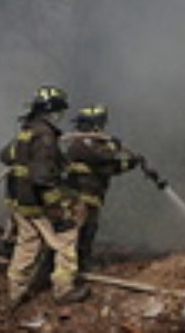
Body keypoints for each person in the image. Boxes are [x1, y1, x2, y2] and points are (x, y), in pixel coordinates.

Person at [0, 84, 89, 313]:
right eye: (58, 111)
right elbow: (42, 178)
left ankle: (14, 294)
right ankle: (63, 289)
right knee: (67, 236)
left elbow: (4, 155)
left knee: (27, 244)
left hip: (19, 200)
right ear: (52, 111)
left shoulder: (26, 131)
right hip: (37, 201)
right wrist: (58, 205)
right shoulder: (46, 135)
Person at [60, 104, 148, 269]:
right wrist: (114, 146)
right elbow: (100, 156)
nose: (102, 128)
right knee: (72, 234)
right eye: (100, 124)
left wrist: (130, 163)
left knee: (89, 231)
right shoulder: (80, 143)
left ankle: (83, 262)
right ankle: (64, 272)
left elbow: (108, 167)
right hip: (78, 197)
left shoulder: (95, 143)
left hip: (93, 197)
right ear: (94, 124)